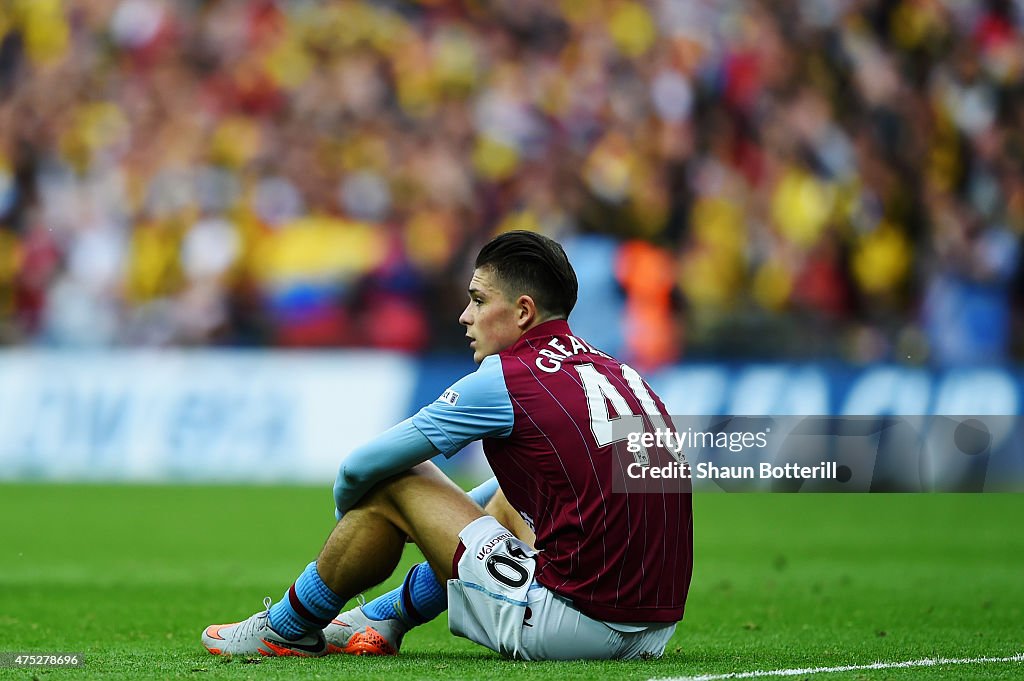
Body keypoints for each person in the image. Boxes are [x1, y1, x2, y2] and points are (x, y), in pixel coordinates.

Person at [201, 231, 693, 661]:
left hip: (574, 627)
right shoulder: (617, 371)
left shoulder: (508, 378)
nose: (464, 316)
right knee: (506, 494)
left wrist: (362, 510)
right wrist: (439, 515)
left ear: (523, 311)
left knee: (397, 479)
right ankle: (379, 618)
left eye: (478, 300)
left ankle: (284, 630)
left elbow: (360, 467)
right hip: (655, 629)